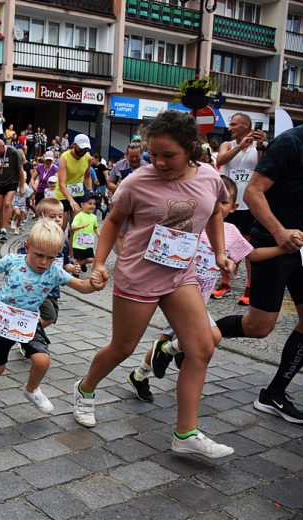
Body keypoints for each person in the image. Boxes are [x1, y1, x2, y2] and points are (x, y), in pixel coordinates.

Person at [75, 110, 236, 458]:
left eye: (169, 155)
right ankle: (86, 389)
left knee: (202, 348)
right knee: (123, 349)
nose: (160, 163)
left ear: (191, 149)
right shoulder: (138, 181)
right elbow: (113, 222)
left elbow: (214, 214)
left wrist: (221, 254)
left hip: (180, 275)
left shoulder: (209, 176)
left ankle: (186, 433)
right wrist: (100, 263)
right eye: (153, 154)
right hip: (139, 276)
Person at [129, 175, 283, 403]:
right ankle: (167, 353)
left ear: (234, 207)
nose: (217, 207)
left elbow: (253, 255)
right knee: (213, 337)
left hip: (201, 300)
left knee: (166, 338)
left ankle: (139, 375)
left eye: (224, 202)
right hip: (179, 294)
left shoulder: (230, 232)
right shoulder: (191, 222)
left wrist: (283, 248)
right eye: (213, 200)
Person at [215, 124, 303, 424]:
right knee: (259, 327)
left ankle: (274, 394)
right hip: (272, 243)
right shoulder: (290, 143)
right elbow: (253, 193)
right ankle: (190, 338)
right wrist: (279, 232)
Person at [0, 219, 103, 412]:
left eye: (50, 257)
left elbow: (81, 286)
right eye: (38, 255)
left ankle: (31, 389)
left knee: (42, 362)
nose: (43, 262)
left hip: (29, 321)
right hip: (2, 320)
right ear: (27, 247)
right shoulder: (12, 261)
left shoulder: (54, 272)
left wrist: (94, 285)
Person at [212, 113, 267, 305]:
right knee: (222, 243)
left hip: (249, 205)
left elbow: (263, 167)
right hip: (228, 204)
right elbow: (220, 161)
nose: (230, 128)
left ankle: (250, 287)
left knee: (248, 247)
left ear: (247, 125)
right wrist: (241, 146)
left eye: (234, 124)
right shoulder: (228, 144)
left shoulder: (262, 146)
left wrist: (259, 146)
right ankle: (224, 283)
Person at [32, 198, 80, 329]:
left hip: (53, 288)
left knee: (53, 317)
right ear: (40, 218)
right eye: (52, 216)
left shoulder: (63, 242)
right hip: (38, 287)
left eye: (60, 215)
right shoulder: (37, 238)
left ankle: (30, 334)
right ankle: (28, 334)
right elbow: (23, 258)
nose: (58, 219)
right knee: (49, 316)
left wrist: (73, 268)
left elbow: (65, 264)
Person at [106, 142, 147, 255]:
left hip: (140, 204)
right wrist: (118, 186)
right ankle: (121, 261)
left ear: (142, 155)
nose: (134, 159)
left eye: (137, 156)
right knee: (120, 233)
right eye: (131, 156)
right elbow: (110, 184)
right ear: (126, 155)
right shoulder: (118, 165)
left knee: (138, 234)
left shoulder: (148, 168)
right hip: (121, 202)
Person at [0, 139, 25, 242]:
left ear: (4, 146)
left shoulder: (13, 152)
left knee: (8, 203)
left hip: (12, 181)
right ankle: (0, 228)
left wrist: (21, 186)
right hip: (0, 182)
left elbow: (21, 170)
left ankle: (4, 230)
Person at [55, 134, 92, 224]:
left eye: (86, 148)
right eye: (81, 148)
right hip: (62, 194)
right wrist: (71, 200)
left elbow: (87, 176)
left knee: (77, 225)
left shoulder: (88, 158)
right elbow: (61, 184)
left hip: (78, 194)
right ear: (74, 145)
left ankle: (72, 238)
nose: (83, 151)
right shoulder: (64, 157)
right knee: (61, 226)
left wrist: (89, 189)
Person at [70, 193, 100, 274]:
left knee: (91, 259)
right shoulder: (79, 216)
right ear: (82, 204)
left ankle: (79, 264)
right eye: (90, 204)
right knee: (78, 259)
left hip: (88, 242)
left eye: (94, 204)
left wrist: (98, 234)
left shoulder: (94, 217)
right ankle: (75, 273)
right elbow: (73, 227)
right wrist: (81, 226)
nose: (92, 206)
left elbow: (95, 227)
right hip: (79, 243)